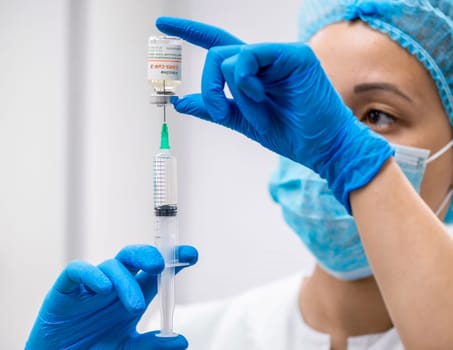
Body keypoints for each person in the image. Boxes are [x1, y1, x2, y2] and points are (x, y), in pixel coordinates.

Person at [25, 0, 453, 349]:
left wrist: (350, 155)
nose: (321, 151)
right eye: (313, 114)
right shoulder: (197, 335)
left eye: (377, 115)